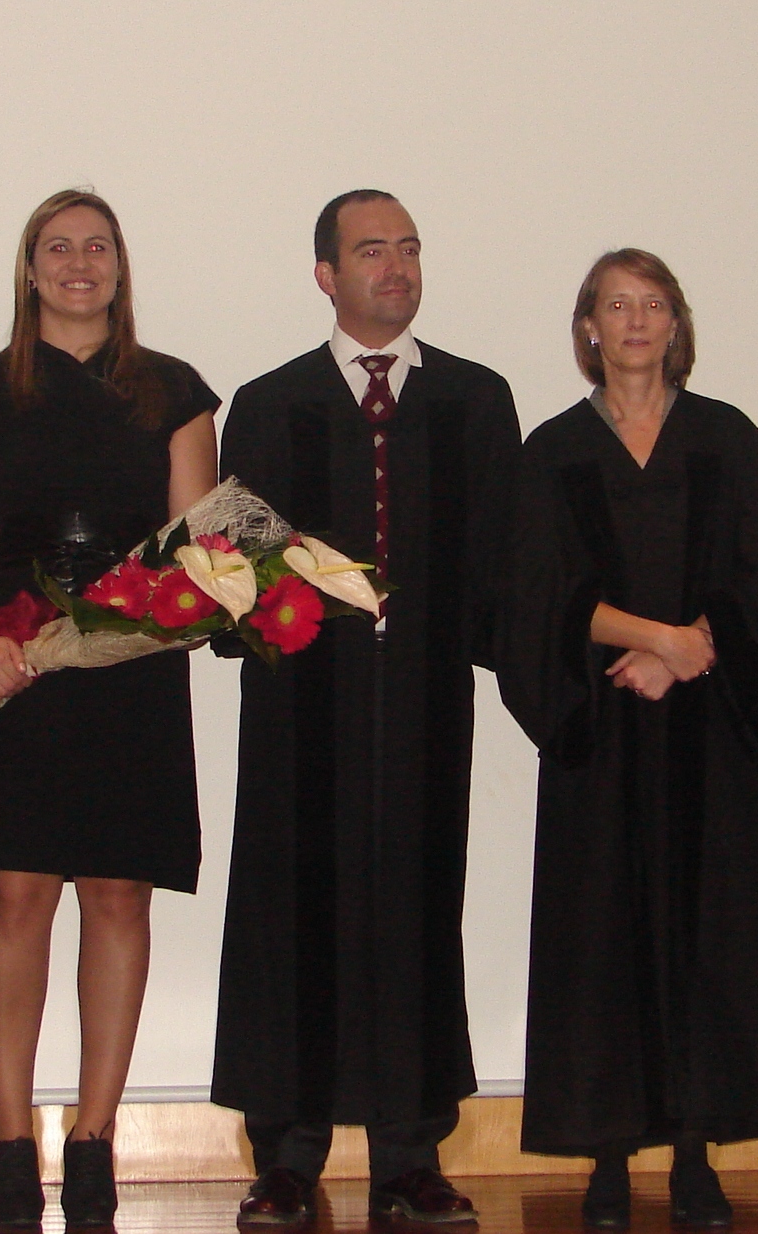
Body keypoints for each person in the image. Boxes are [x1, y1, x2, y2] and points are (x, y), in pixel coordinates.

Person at [211, 190, 521, 1227]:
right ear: (326, 276)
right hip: (300, 713)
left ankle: (409, 1156)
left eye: (409, 249)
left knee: (418, 912)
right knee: (290, 916)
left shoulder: (475, 400)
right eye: (371, 250)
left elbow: (503, 563)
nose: (396, 267)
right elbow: (231, 568)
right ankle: (287, 1157)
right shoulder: (269, 403)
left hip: (425, 707)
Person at [496, 249, 758, 1229]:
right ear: (587, 327)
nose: (635, 321)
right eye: (615, 305)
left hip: (711, 732)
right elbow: (530, 600)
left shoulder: (727, 438)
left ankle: (692, 1153)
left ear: (676, 324)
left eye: (653, 304)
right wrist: (652, 639)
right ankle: (604, 1156)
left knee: (707, 940)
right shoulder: (552, 451)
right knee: (601, 942)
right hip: (599, 731)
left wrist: (687, 654)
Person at [0, 188, 219, 1229]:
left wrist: (170, 612)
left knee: (119, 895)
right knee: (13, 894)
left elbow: (202, 546)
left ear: (120, 266)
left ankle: (94, 1139)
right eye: (58, 247)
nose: (78, 263)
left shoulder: (176, 391)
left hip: (133, 667)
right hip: (18, 659)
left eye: (97, 246)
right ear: (30, 267)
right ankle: (11, 1140)